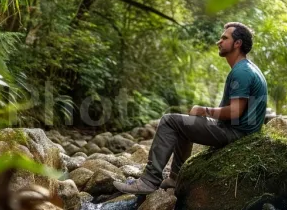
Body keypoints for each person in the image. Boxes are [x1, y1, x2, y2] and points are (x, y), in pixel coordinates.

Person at [113, 22, 268, 195]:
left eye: (225, 38)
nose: (219, 41)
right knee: (183, 123)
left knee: (169, 120)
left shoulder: (242, 72)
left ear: (237, 43)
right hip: (237, 130)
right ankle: (175, 178)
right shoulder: (246, 68)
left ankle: (149, 181)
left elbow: (235, 112)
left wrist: (204, 111)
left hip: (237, 134)